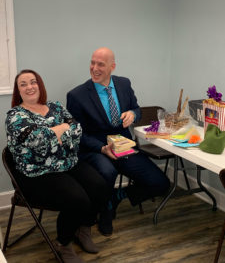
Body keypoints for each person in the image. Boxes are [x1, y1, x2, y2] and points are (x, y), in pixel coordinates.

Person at [5, 69, 110, 263]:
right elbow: (36, 141)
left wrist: (54, 135)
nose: (29, 87)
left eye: (33, 82)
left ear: (40, 85)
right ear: (18, 91)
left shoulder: (55, 106)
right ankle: (63, 242)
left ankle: (83, 229)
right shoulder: (15, 116)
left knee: (100, 187)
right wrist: (61, 130)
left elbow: (77, 129)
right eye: (23, 84)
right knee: (78, 200)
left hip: (67, 163)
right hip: (36, 172)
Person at [66, 47, 170, 236]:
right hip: (96, 149)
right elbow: (77, 134)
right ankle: (105, 210)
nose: (94, 68)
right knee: (108, 172)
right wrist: (102, 148)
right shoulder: (76, 95)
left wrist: (132, 114)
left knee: (161, 183)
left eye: (101, 64)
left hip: (124, 146)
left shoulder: (123, 84)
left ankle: (117, 196)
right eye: (92, 62)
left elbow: (136, 109)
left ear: (112, 66)